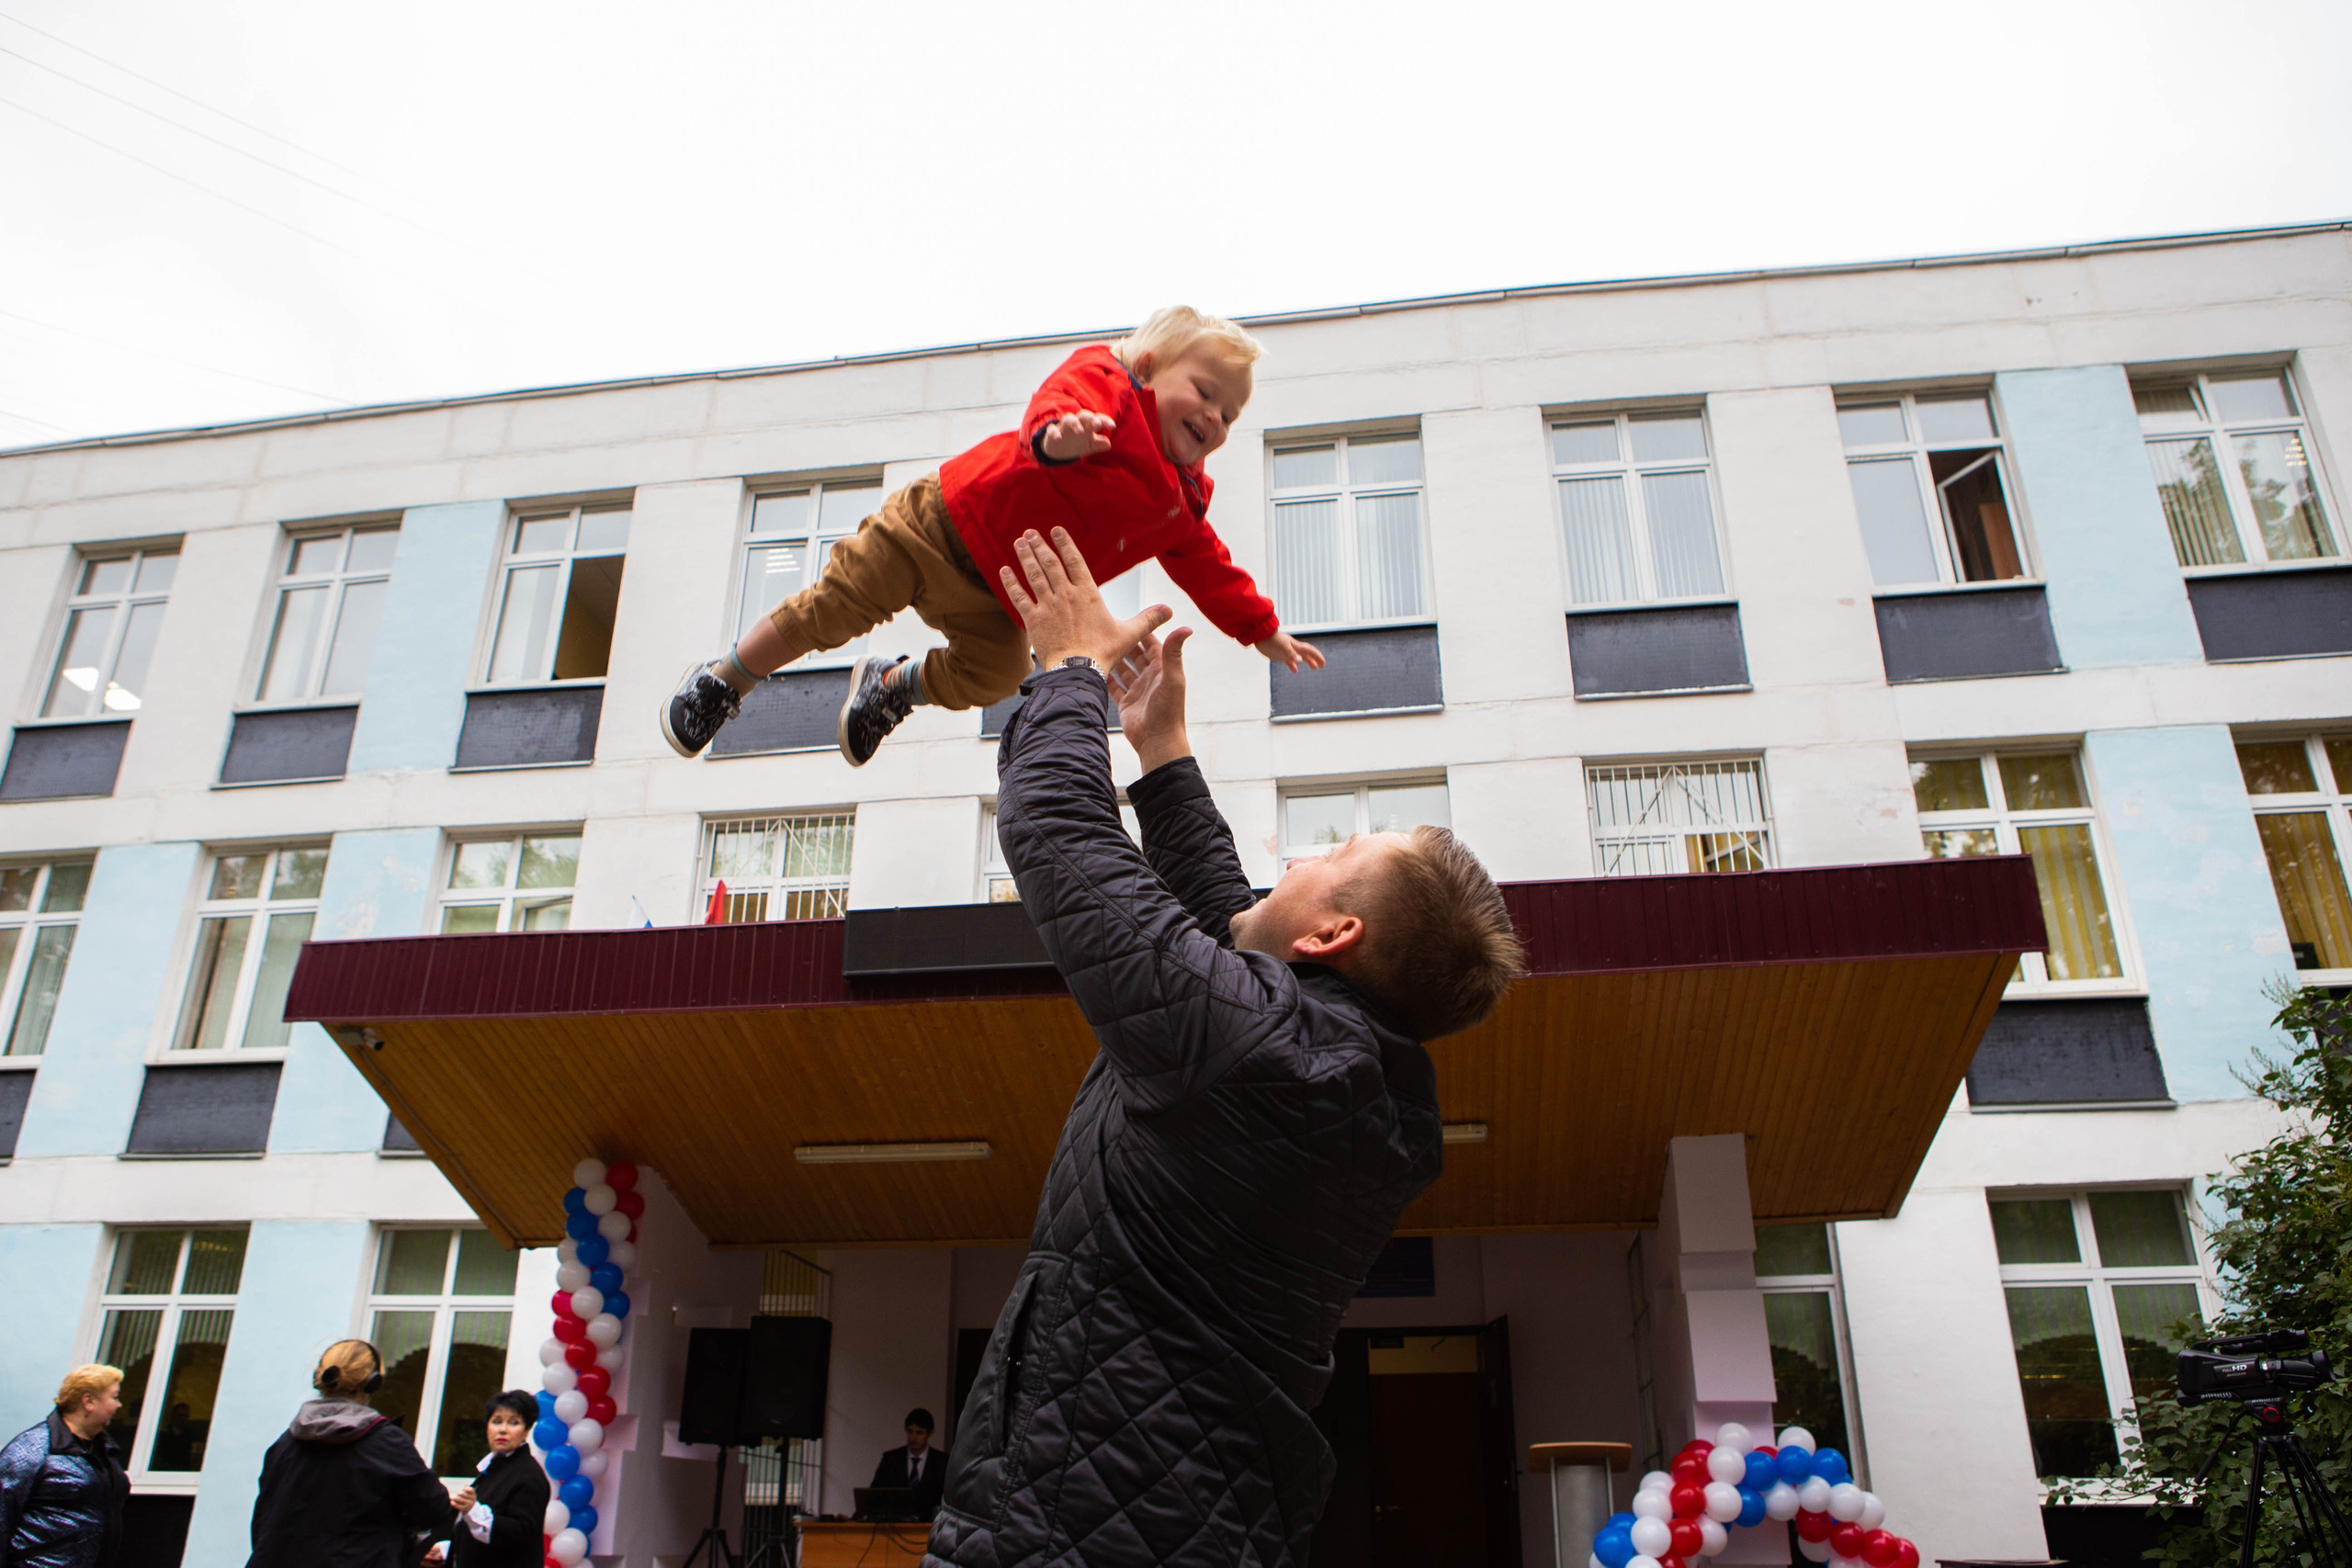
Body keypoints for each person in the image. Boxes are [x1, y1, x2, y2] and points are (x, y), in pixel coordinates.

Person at [927, 530, 1523, 1566]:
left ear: (1334, 933)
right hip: (1148, 1521)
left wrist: (1066, 671)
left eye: (1335, 851)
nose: (1301, 854)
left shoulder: (1263, 1052)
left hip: (1080, 1533)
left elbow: (1059, 834)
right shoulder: (1323, 1067)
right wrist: (1162, 753)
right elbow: (1223, 936)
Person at [659, 305, 1325, 768]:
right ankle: (726, 678)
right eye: (1205, 392)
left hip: (1003, 598)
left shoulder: (1180, 503)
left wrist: (1260, 627)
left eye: (1230, 414)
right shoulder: (1110, 389)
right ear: (1148, 367)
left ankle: (893, 684)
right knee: (834, 609)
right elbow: (1058, 399)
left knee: (998, 673)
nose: (1214, 417)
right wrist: (1057, 437)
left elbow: (1209, 567)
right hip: (940, 526)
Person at [245, 1340, 454, 1568]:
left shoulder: (284, 1444)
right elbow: (435, 1509)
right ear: (374, 1382)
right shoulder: (387, 1443)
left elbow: (262, 1524)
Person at [0, 1363, 129, 1568]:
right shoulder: (34, 1447)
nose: (119, 1405)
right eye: (114, 1397)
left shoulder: (105, 1450)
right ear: (88, 1401)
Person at [423, 1391, 548, 1567]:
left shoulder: (529, 1474)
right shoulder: (493, 1469)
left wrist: (474, 1511)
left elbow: (520, 1535)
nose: (503, 1429)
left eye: (514, 1423)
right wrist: (446, 1549)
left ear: (526, 1430)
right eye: (496, 1421)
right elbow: (478, 1535)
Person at [868, 1409, 947, 1520]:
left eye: (919, 1433)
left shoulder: (942, 1462)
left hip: (929, 1524)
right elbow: (874, 1494)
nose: (913, 1438)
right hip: (894, 1523)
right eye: (910, 1431)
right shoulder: (891, 1459)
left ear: (930, 1433)